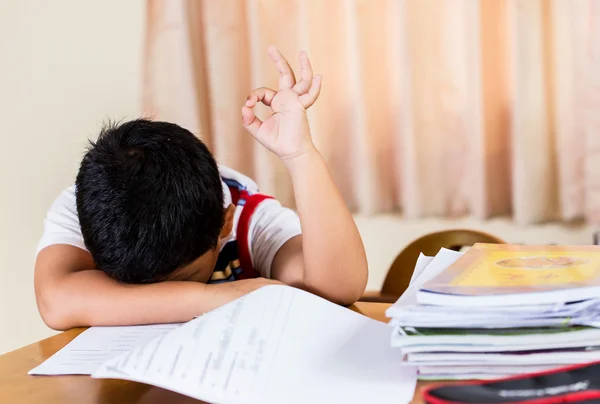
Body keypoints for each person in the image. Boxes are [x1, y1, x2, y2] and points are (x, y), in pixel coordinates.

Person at [34, 47, 368, 330]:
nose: (161, 295)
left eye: (186, 277)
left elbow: (336, 288)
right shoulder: (96, 207)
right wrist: (212, 297)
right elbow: (55, 300)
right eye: (137, 286)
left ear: (225, 223)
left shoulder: (248, 218)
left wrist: (300, 155)